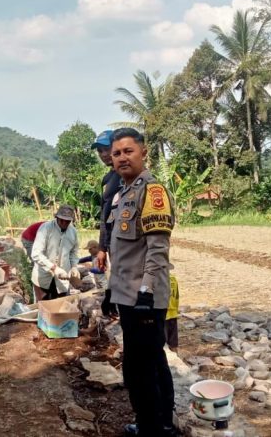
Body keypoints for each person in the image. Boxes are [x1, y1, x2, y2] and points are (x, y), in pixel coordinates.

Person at [106, 128, 177, 437]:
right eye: (117, 153)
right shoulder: (124, 193)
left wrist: (146, 292)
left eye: (128, 151)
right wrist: (111, 290)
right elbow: (122, 252)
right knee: (151, 360)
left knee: (141, 368)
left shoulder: (153, 191)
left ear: (143, 152)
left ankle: (152, 428)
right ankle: (160, 424)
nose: (122, 157)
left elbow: (157, 249)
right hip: (127, 294)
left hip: (143, 297)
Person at [91, 129, 122, 317]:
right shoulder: (107, 179)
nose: (103, 154)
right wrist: (102, 247)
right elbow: (105, 216)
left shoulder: (126, 176)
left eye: (106, 149)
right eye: (99, 151)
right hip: (112, 241)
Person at [30, 205, 79, 302]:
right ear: (57, 217)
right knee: (43, 308)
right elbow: (36, 253)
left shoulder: (73, 232)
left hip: (62, 280)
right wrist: (54, 268)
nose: (64, 223)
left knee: (61, 307)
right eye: (61, 220)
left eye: (67, 221)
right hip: (43, 277)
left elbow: (73, 252)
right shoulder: (46, 228)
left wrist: (74, 266)